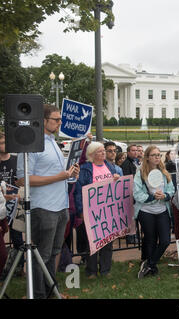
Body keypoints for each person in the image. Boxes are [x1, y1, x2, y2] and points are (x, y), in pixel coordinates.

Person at [16, 104, 79, 299]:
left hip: (60, 206)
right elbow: (22, 179)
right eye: (56, 119)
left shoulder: (53, 141)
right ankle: (39, 294)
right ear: (43, 120)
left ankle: (51, 291)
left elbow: (56, 174)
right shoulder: (31, 145)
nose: (60, 122)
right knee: (41, 256)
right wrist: (59, 177)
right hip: (43, 208)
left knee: (53, 253)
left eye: (60, 119)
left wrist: (69, 175)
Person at [74, 142, 120, 278]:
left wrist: (116, 179)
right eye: (100, 151)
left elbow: (114, 187)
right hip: (92, 211)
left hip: (108, 211)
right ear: (92, 154)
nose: (103, 153)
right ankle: (91, 271)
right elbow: (79, 191)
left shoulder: (109, 166)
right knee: (92, 243)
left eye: (103, 151)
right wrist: (81, 210)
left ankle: (106, 270)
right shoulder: (86, 169)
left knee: (107, 242)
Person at [134, 146, 175, 278]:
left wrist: (165, 196)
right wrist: (152, 197)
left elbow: (171, 189)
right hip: (146, 211)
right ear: (147, 157)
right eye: (154, 155)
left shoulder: (164, 172)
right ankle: (151, 267)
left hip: (162, 210)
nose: (157, 157)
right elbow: (137, 193)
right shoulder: (140, 173)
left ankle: (149, 264)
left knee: (165, 241)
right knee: (150, 240)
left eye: (159, 155)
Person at [0, 132, 25, 279]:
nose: (4, 145)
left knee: (17, 237)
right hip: (1, 204)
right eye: (1, 143)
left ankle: (19, 268)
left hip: (15, 204)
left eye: (5, 142)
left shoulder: (16, 160)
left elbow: (22, 180)